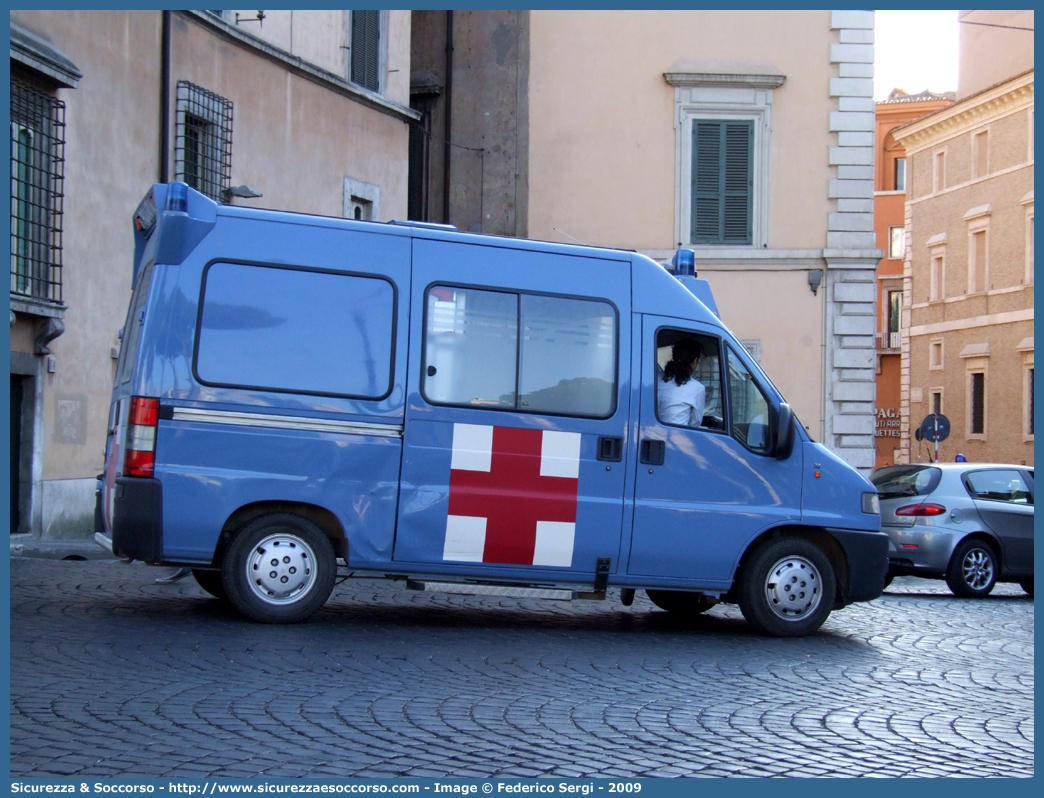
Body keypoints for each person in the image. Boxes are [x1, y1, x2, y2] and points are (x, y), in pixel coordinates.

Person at [657, 338, 705, 427]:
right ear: (695, 361)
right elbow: (695, 424)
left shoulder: (655, 378)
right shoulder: (697, 388)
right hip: (677, 438)